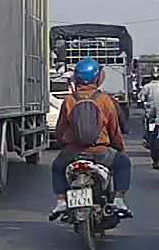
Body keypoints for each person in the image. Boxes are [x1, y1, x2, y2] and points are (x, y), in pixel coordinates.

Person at [49, 59, 132, 219]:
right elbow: (114, 129)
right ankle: (118, 200)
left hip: (73, 152)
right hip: (100, 151)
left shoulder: (69, 100)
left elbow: (61, 128)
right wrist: (120, 148)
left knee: (57, 167)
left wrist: (63, 145)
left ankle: (61, 201)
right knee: (123, 163)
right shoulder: (104, 100)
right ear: (97, 77)